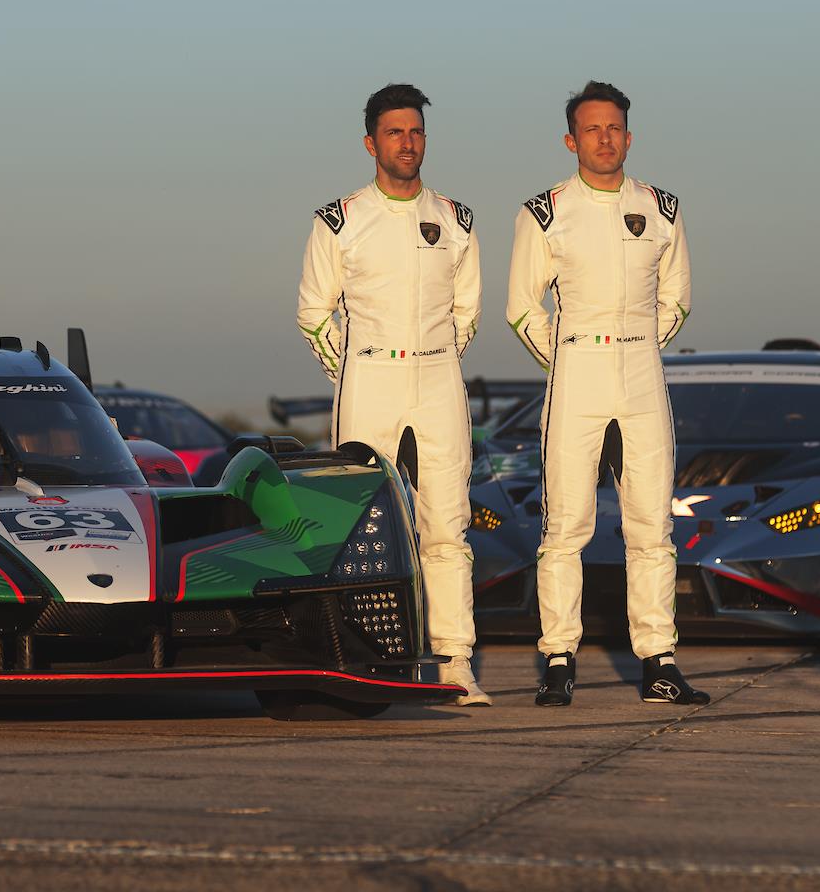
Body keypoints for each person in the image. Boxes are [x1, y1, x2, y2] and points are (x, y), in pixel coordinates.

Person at [506, 80, 705, 708]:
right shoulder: (544, 212)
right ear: (571, 141)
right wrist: (568, 356)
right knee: (565, 527)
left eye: (614, 127)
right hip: (577, 373)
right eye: (592, 129)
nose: (604, 138)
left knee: (651, 526)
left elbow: (677, 297)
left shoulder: (662, 208)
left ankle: (659, 662)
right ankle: (558, 660)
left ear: (630, 136)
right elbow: (521, 308)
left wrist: (638, 344)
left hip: (642, 372)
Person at [296, 83, 488, 706]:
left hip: (437, 379)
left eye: (416, 131)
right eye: (395, 132)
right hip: (368, 379)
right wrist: (354, 370)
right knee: (358, 522)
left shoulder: (456, 220)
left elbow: (467, 313)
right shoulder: (339, 220)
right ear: (370, 143)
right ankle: (364, 658)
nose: (407, 143)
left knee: (447, 525)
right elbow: (314, 313)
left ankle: (455, 662)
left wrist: (433, 361)